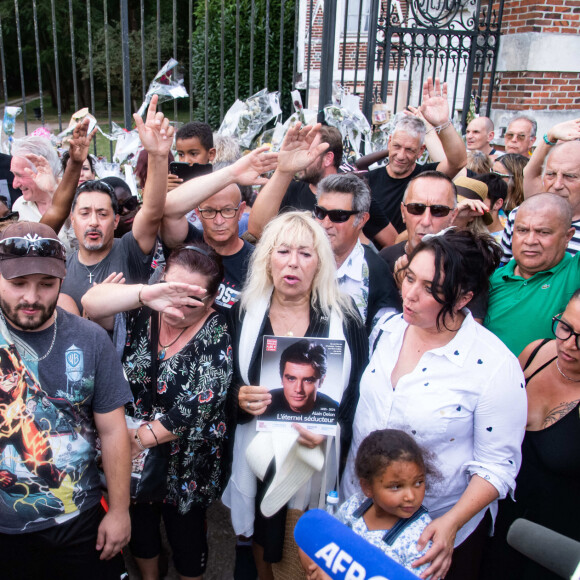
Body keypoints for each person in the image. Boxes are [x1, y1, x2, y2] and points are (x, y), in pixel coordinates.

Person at [342, 228, 527, 580]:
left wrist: (450, 524)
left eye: (430, 288)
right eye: (410, 277)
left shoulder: (494, 367)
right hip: (361, 512)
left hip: (430, 534)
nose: (409, 294)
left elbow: (497, 467)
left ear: (462, 299)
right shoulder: (388, 329)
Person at [222, 211, 368, 579]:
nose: (293, 263)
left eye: (305, 253)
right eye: (283, 251)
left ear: (320, 263)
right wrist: (238, 398)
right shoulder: (241, 313)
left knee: (303, 543)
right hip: (258, 453)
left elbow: (356, 393)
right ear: (267, 259)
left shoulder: (345, 318)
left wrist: (332, 427)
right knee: (259, 530)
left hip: (314, 458)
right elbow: (221, 382)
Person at [82, 242, 232, 580]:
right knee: (141, 533)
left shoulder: (216, 330)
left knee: (188, 542)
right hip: (132, 459)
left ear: (211, 299)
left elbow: (204, 402)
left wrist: (140, 438)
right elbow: (90, 304)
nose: (178, 306)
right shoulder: (142, 309)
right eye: (173, 290)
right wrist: (146, 294)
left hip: (186, 465)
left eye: (191, 298)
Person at [0, 221, 132, 579]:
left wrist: (119, 511)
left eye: (46, 284)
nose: (31, 296)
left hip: (78, 521)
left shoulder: (90, 339)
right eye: (17, 283)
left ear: (62, 280)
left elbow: (113, 431)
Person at [482, 290, 580, 579]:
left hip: (550, 543)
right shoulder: (536, 352)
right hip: (496, 519)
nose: (570, 344)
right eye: (565, 327)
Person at [59, 95, 174, 314]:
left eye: (102, 214)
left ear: (116, 221)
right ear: (72, 219)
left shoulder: (130, 250)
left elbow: (151, 211)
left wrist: (158, 156)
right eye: (85, 213)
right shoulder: (62, 270)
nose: (93, 222)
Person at [301, 429, 436, 578]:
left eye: (418, 483)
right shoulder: (354, 507)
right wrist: (315, 568)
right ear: (367, 487)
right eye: (396, 486)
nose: (411, 496)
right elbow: (321, 542)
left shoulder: (421, 540)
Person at [161, 149, 279, 314]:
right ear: (197, 213)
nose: (219, 221)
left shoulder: (257, 261)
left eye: (227, 210)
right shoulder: (188, 243)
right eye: (209, 211)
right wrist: (232, 173)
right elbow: (168, 210)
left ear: (241, 211)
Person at [247, 124, 398, 248]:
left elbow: (392, 242)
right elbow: (256, 230)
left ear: (328, 158)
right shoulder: (291, 189)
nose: (301, 158)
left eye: (308, 152)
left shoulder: (355, 197)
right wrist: (283, 170)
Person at [366, 78, 467, 233]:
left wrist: (443, 123)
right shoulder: (369, 180)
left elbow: (458, 162)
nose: (400, 155)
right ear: (389, 142)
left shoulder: (426, 177)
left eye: (409, 150)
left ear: (421, 151)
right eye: (397, 146)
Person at [485, 193, 580, 356]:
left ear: (568, 237)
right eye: (522, 230)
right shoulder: (490, 278)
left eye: (543, 232)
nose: (530, 240)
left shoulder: (574, 273)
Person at [313, 173, 401, 334]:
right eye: (320, 212)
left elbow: (382, 337)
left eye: (338, 216)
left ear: (361, 220)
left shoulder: (376, 272)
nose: (325, 223)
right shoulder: (296, 259)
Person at [501, 120, 580, 264]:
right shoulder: (519, 215)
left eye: (570, 176)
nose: (557, 185)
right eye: (551, 174)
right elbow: (500, 269)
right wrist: (549, 137)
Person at [262, 339, 338, 421]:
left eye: (308, 380)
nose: (298, 389)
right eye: (291, 379)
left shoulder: (335, 409)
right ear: (281, 378)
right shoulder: (265, 403)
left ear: (321, 381)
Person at [167, 121, 216, 191]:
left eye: (193, 154)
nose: (186, 160)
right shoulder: (175, 183)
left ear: (211, 154)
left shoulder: (220, 185)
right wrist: (165, 193)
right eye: (181, 154)